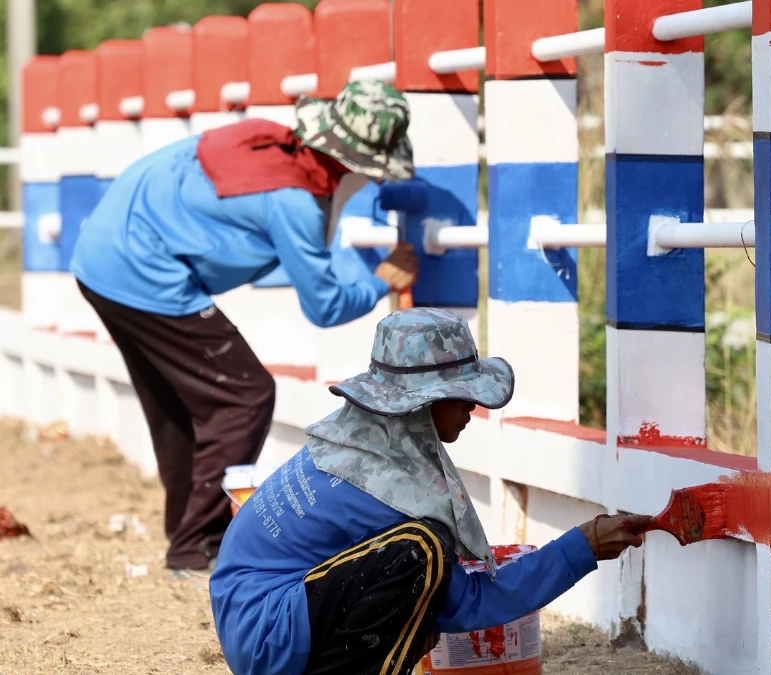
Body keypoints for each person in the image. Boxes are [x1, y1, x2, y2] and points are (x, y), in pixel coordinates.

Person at [68, 80, 421, 577]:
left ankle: (186, 542)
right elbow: (325, 306)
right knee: (244, 395)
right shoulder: (294, 201)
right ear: (356, 164)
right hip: (142, 271)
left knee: (178, 403)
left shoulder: (264, 137)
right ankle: (198, 547)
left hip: (99, 257)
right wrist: (381, 279)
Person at [208, 308, 653, 675]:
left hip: (252, 620)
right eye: (461, 394)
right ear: (419, 406)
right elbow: (468, 605)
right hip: (269, 636)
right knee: (423, 552)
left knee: (421, 582)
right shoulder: (382, 491)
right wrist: (583, 547)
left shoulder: (351, 444)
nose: (472, 406)